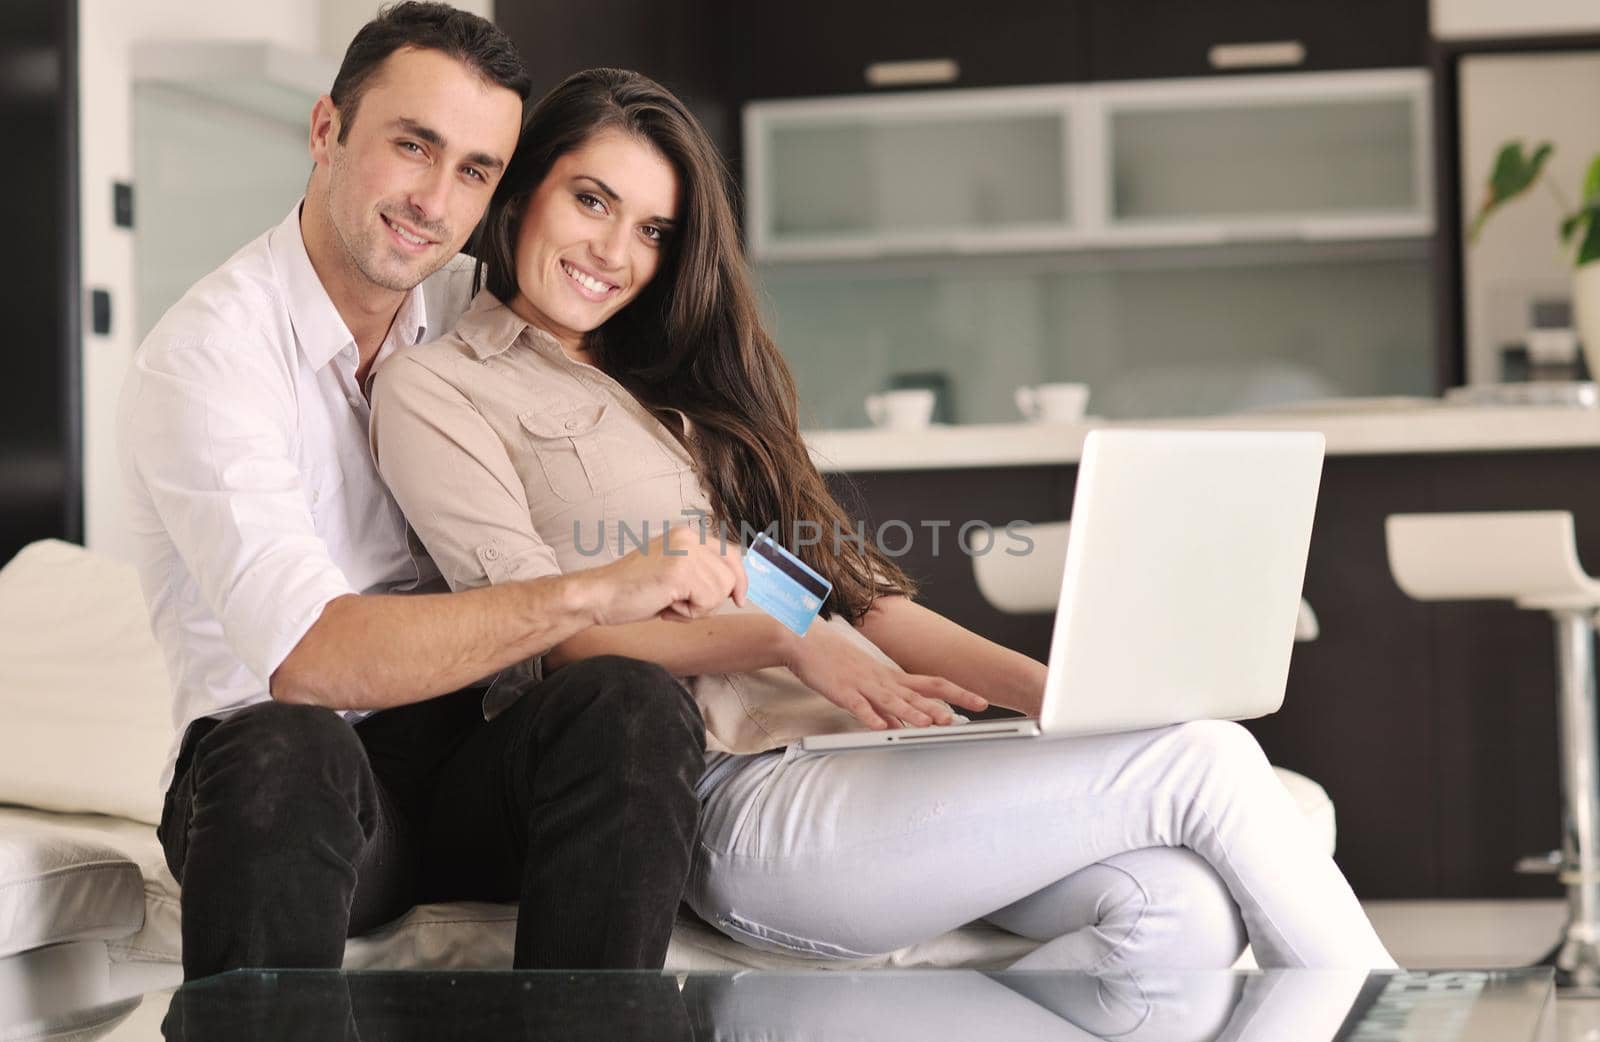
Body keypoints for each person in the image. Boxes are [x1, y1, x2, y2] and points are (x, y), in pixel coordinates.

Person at [371, 67, 1398, 972]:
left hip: (871, 764)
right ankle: (1400, 1036)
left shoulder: (678, 391)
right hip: (747, 795)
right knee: (1205, 761)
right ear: (522, 194)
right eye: (590, 200)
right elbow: (541, 635)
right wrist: (790, 640)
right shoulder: (442, 388)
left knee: (1176, 907)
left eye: (652, 230)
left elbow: (865, 608)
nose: (613, 251)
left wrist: (1074, 698)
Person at [118, 8, 744, 982]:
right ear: (326, 130)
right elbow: (312, 657)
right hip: (283, 778)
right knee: (287, 749)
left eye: (475, 171)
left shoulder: (474, 310)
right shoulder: (211, 354)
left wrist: (817, 619)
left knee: (626, 702)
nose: (433, 200)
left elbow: (663, 455)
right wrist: (592, 590)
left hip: (468, 765)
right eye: (413, 146)